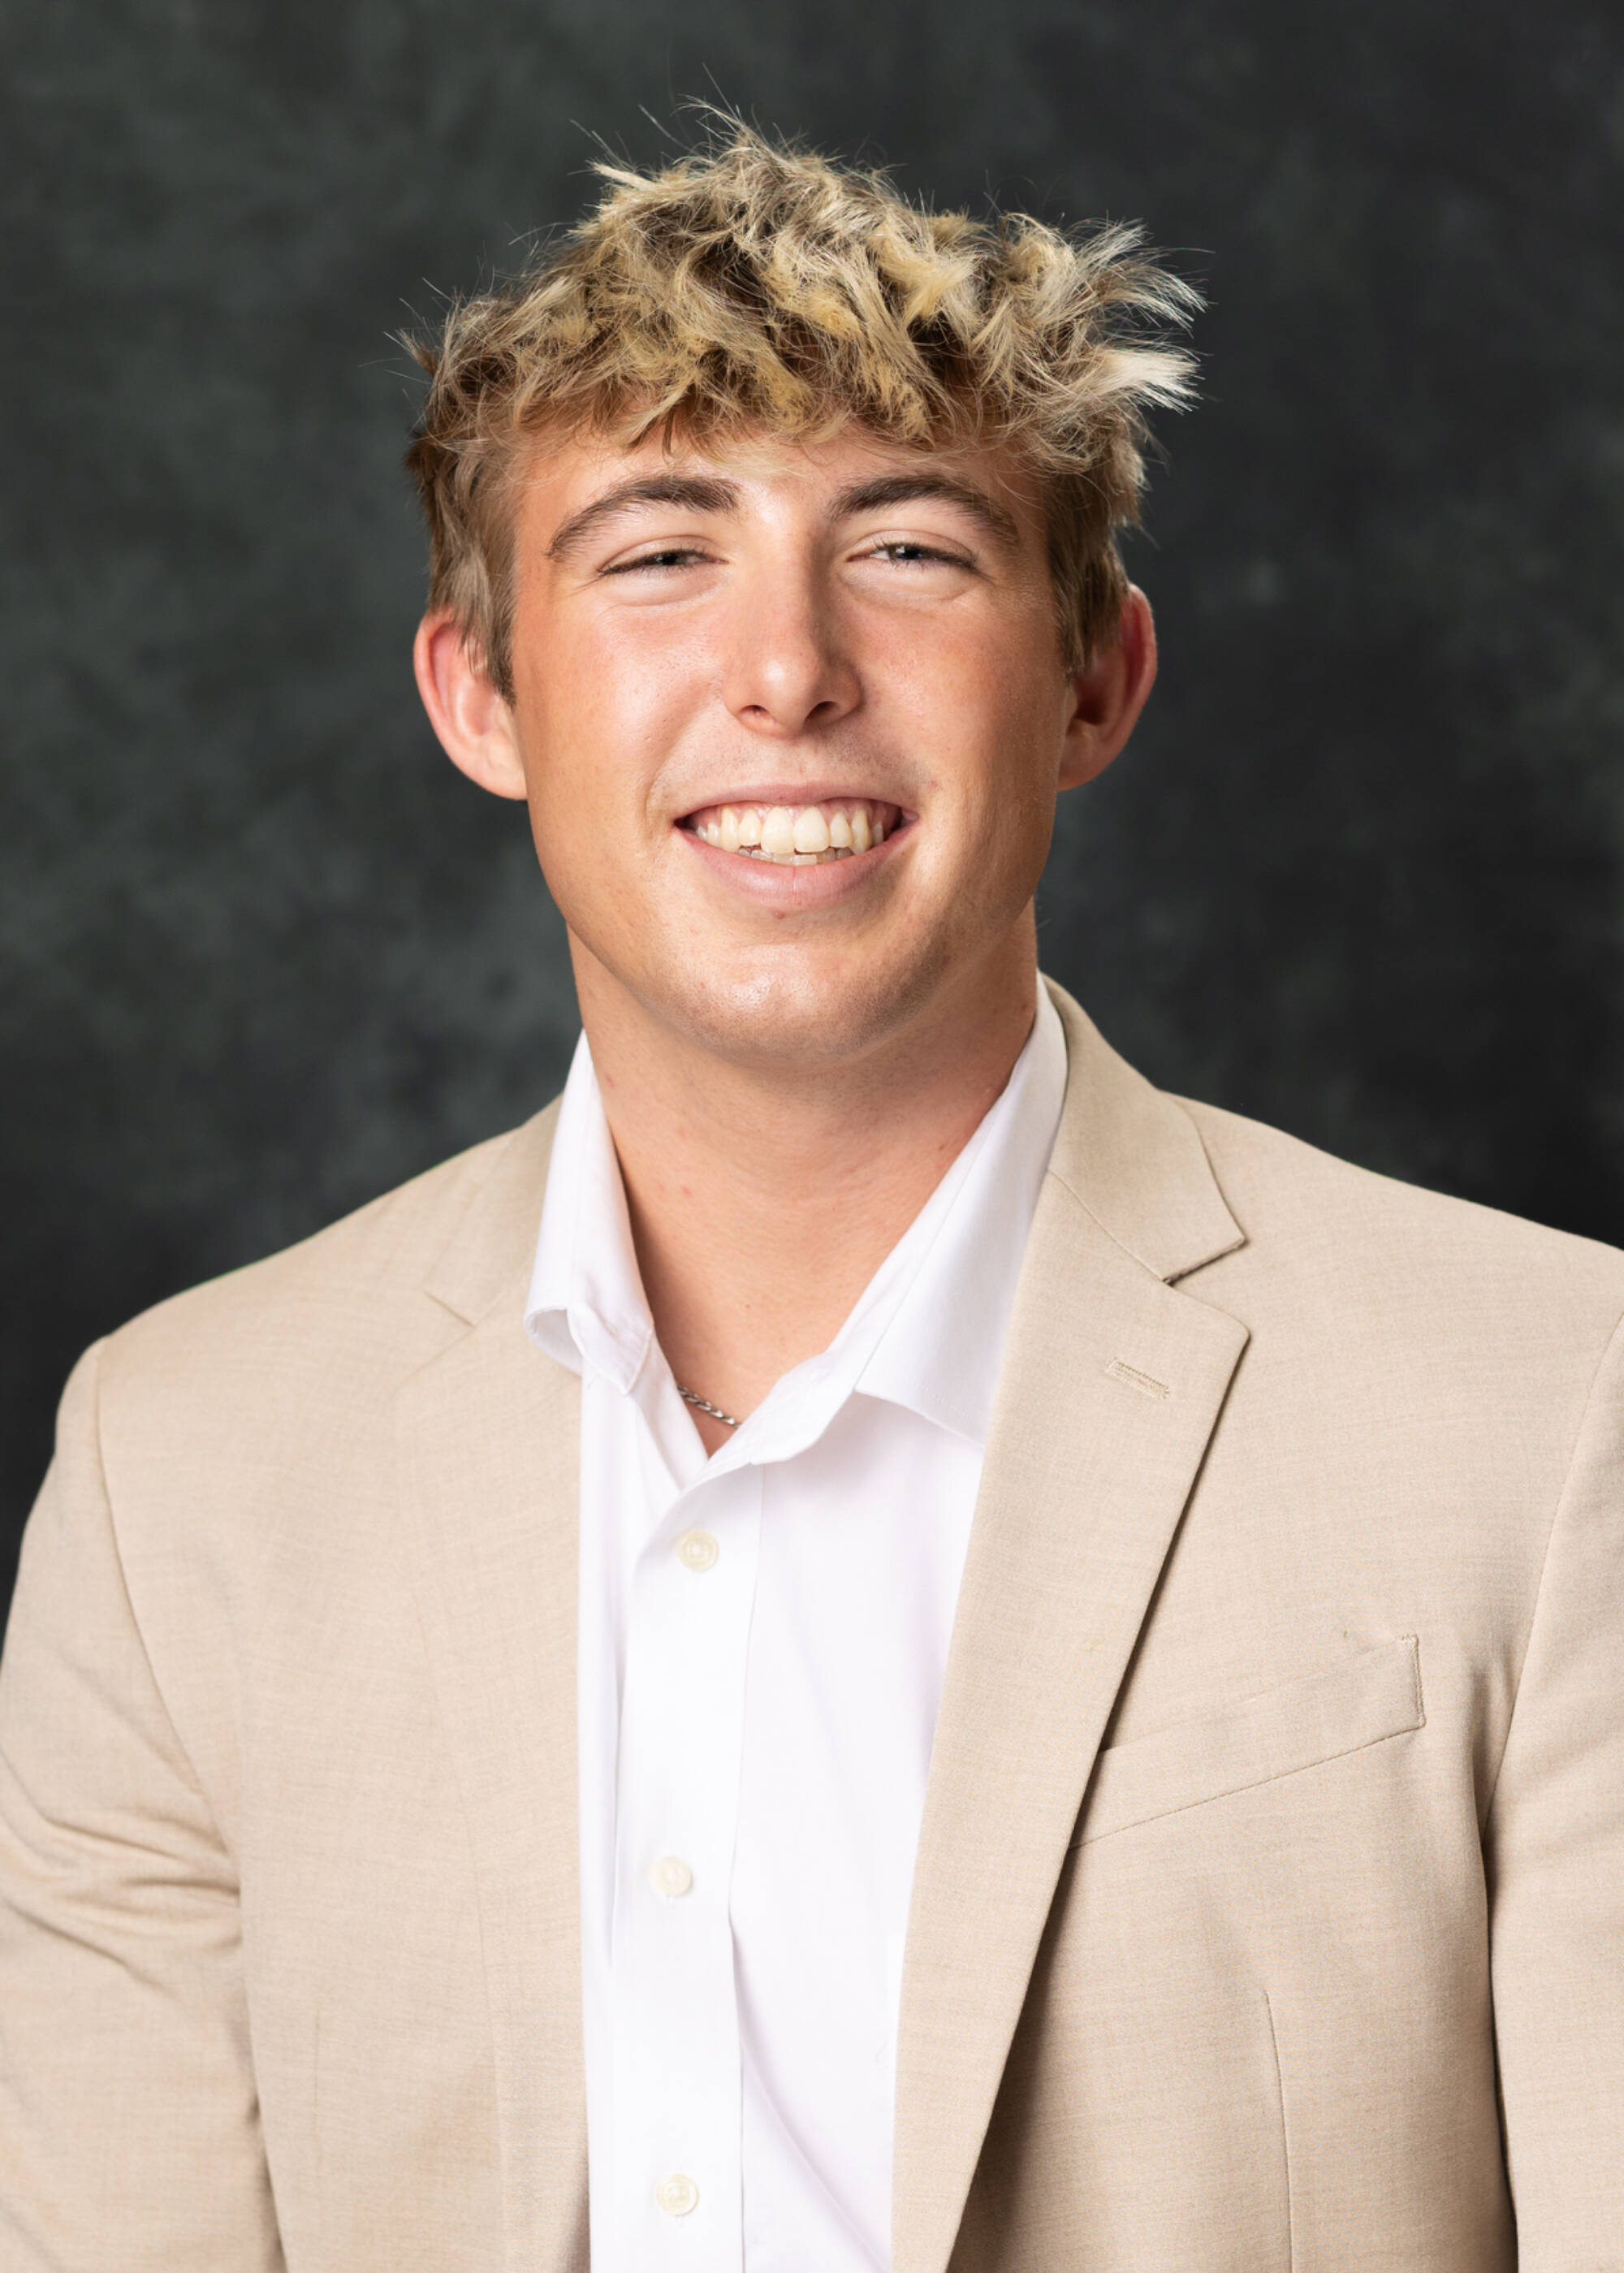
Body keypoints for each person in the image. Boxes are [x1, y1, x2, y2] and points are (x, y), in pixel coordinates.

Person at [1, 123, 1620, 2273]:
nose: (787, 672)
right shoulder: (174, 1468)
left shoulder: (1562, 1411)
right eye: (659, 556)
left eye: (914, 553)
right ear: (483, 695)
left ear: (1094, 684)